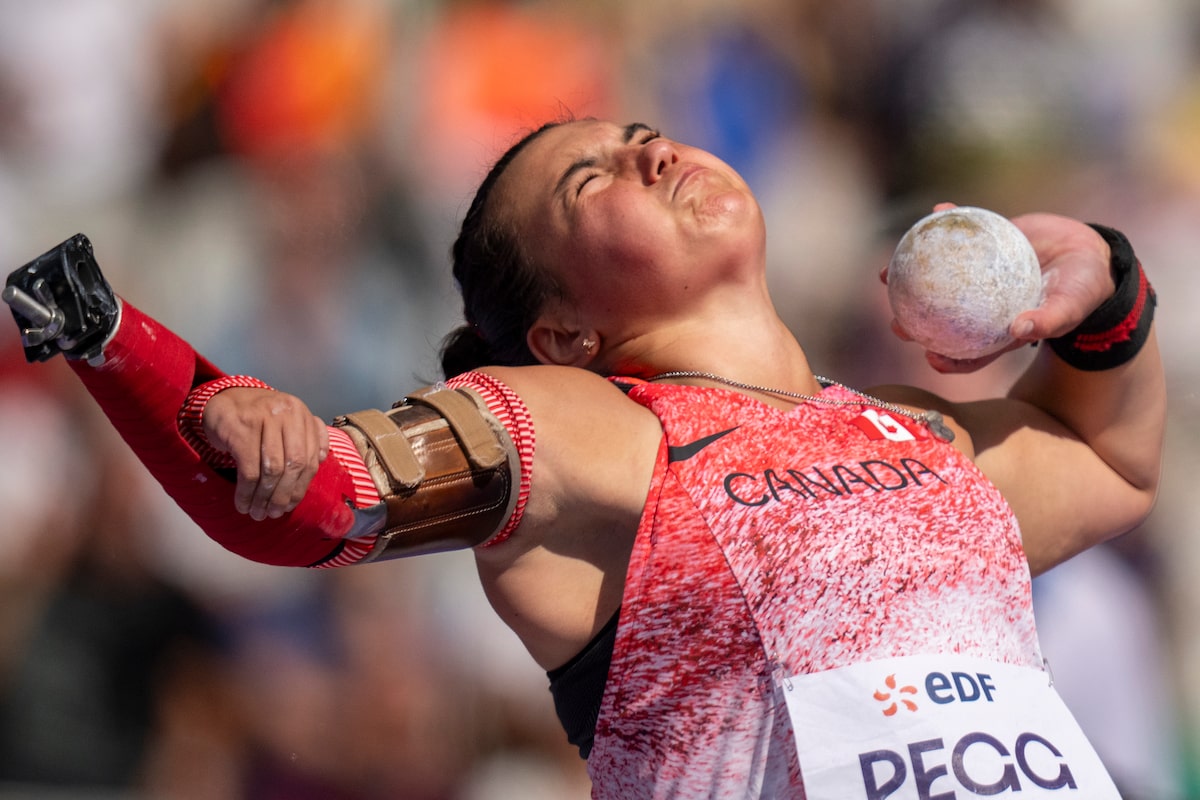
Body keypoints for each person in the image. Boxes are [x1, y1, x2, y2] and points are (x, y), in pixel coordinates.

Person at [3, 117, 1164, 798]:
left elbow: (1108, 464)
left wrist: (1109, 291)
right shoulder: (579, 425)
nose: (649, 152)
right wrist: (131, 347)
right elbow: (315, 502)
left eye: (640, 136)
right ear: (563, 332)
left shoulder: (916, 433)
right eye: (592, 178)